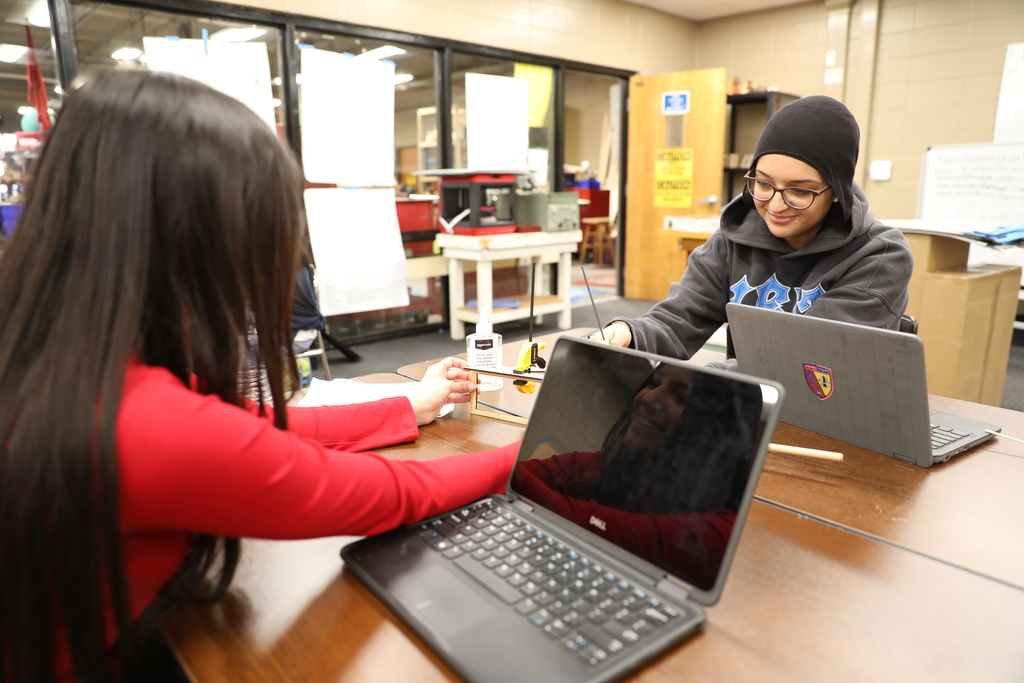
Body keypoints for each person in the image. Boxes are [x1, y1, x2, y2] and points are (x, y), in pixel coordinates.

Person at [0, 69, 517, 682]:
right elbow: (390, 496)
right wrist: (537, 453)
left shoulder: (60, 355)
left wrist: (413, 406)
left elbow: (256, 430)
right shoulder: (143, 426)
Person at [596, 96, 913, 364]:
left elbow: (810, 361)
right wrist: (629, 333)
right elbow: (678, 320)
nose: (775, 206)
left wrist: (698, 385)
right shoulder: (732, 240)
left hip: (833, 419)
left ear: (836, 192)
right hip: (751, 406)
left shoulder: (880, 256)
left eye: (800, 192)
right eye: (763, 183)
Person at [510, 363, 764, 588]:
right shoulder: (605, 466)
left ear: (714, 434)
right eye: (654, 383)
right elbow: (521, 474)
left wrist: (502, 467)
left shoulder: (717, 534)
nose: (649, 398)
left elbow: (578, 518)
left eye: (681, 398)